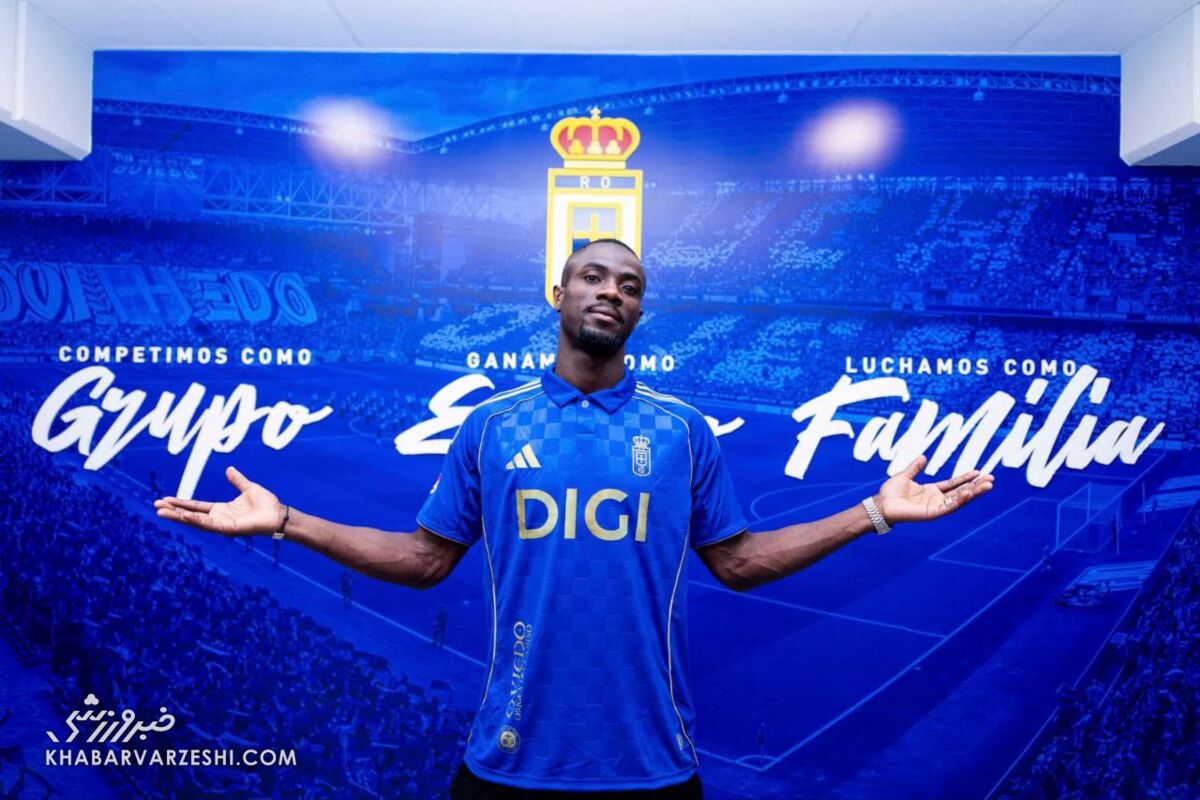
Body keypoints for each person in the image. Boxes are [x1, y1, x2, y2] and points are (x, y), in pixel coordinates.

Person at [155, 239, 994, 798]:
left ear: (639, 314)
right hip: (507, 766)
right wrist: (287, 520)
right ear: (557, 293)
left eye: (630, 286)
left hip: (654, 771)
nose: (612, 291)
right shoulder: (492, 426)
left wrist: (872, 512)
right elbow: (422, 559)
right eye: (594, 276)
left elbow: (738, 562)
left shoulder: (682, 430)